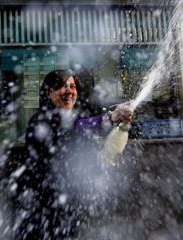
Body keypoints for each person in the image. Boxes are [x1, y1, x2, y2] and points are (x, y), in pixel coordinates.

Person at [13, 69, 133, 239]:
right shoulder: (40, 120)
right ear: (49, 92)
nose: (69, 91)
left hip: (67, 206)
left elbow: (80, 149)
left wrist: (105, 157)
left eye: (72, 86)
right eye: (62, 86)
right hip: (41, 208)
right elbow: (73, 130)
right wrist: (110, 117)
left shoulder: (75, 119)